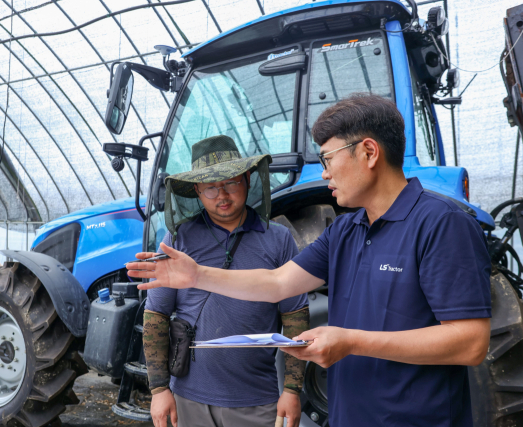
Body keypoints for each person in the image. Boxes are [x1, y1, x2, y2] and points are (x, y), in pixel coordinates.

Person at [129, 94, 492, 427]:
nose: (324, 173)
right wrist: (197, 275)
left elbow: (470, 343)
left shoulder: (442, 224)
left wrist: (350, 342)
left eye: (328, 159)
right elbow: (278, 284)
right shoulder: (346, 230)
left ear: (368, 152)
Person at [142, 135, 309, 427]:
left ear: (246, 179)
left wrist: (293, 390)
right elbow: (156, 316)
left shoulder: (279, 239)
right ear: (196, 191)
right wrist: (158, 389)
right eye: (210, 188)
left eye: (231, 183)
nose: (222, 195)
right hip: (188, 399)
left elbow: (295, 318)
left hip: (256, 401)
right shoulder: (178, 240)